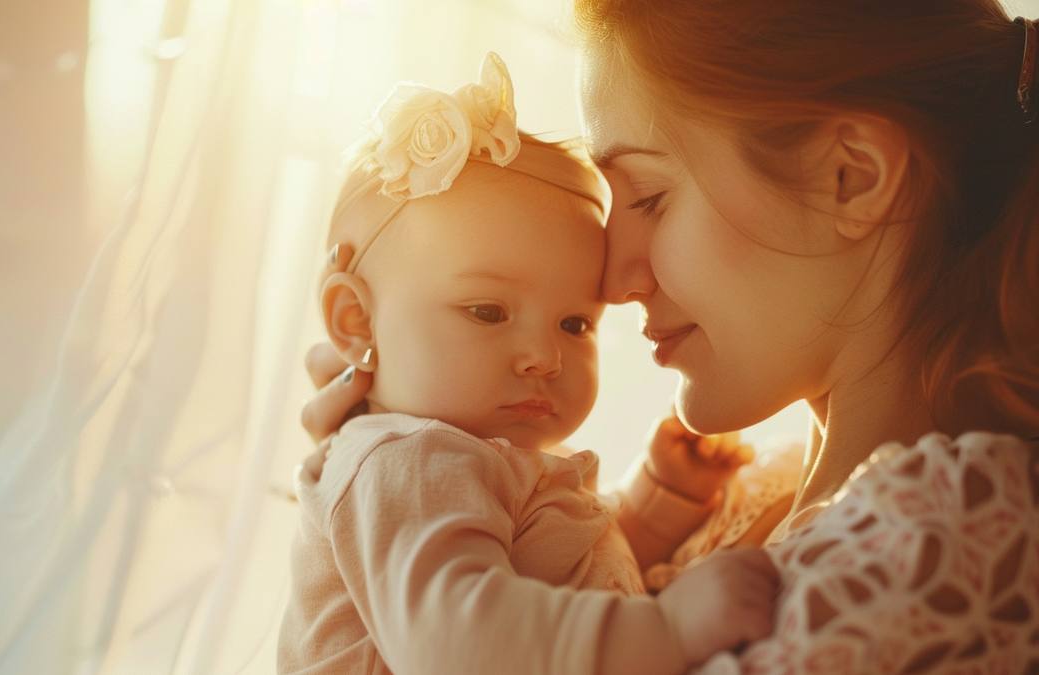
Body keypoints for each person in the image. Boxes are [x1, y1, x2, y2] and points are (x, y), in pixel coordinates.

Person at [303, 3, 1039, 672]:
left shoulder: (941, 554)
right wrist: (415, 467)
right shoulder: (753, 495)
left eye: (651, 197)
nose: (610, 278)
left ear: (850, 177)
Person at [279, 53, 780, 675]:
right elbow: (464, 644)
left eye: (575, 324)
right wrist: (670, 628)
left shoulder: (478, 465)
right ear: (356, 322)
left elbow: (567, 583)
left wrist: (662, 498)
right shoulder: (407, 462)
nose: (545, 357)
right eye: (488, 311)